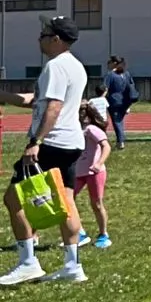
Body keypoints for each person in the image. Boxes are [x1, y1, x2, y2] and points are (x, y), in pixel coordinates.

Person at [1, 17, 90, 285]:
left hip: (51, 143)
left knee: (12, 199)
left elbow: (53, 107)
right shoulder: (75, 67)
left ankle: (28, 262)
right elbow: (34, 101)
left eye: (44, 34)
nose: (39, 38)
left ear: (56, 40)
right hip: (71, 143)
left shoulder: (55, 66)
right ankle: (73, 266)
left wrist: (35, 142)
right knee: (66, 203)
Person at [73, 99, 112, 248]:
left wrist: (99, 163)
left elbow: (106, 146)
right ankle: (80, 231)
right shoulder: (75, 130)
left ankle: (103, 234)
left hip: (94, 172)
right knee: (69, 201)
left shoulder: (91, 129)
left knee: (96, 203)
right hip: (78, 172)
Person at [103, 56, 138, 149]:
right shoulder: (126, 74)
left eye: (109, 62)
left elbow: (105, 88)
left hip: (114, 101)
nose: (108, 64)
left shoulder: (110, 75)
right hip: (126, 101)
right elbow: (131, 85)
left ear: (114, 63)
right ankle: (121, 139)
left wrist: (101, 98)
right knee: (120, 120)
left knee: (117, 121)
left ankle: (121, 141)